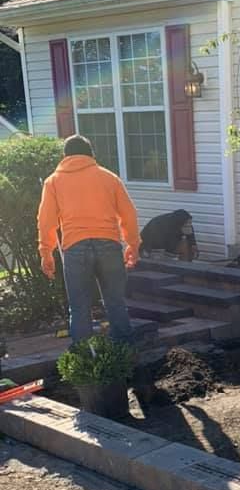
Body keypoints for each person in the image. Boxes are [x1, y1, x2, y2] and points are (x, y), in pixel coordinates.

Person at [37, 135, 139, 344]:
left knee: (79, 306)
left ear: (65, 156)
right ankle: (126, 351)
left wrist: (46, 252)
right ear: (91, 154)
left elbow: (46, 221)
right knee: (115, 302)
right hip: (109, 244)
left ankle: (84, 355)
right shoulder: (109, 178)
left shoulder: (53, 181)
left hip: (75, 248)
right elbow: (128, 214)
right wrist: (132, 244)